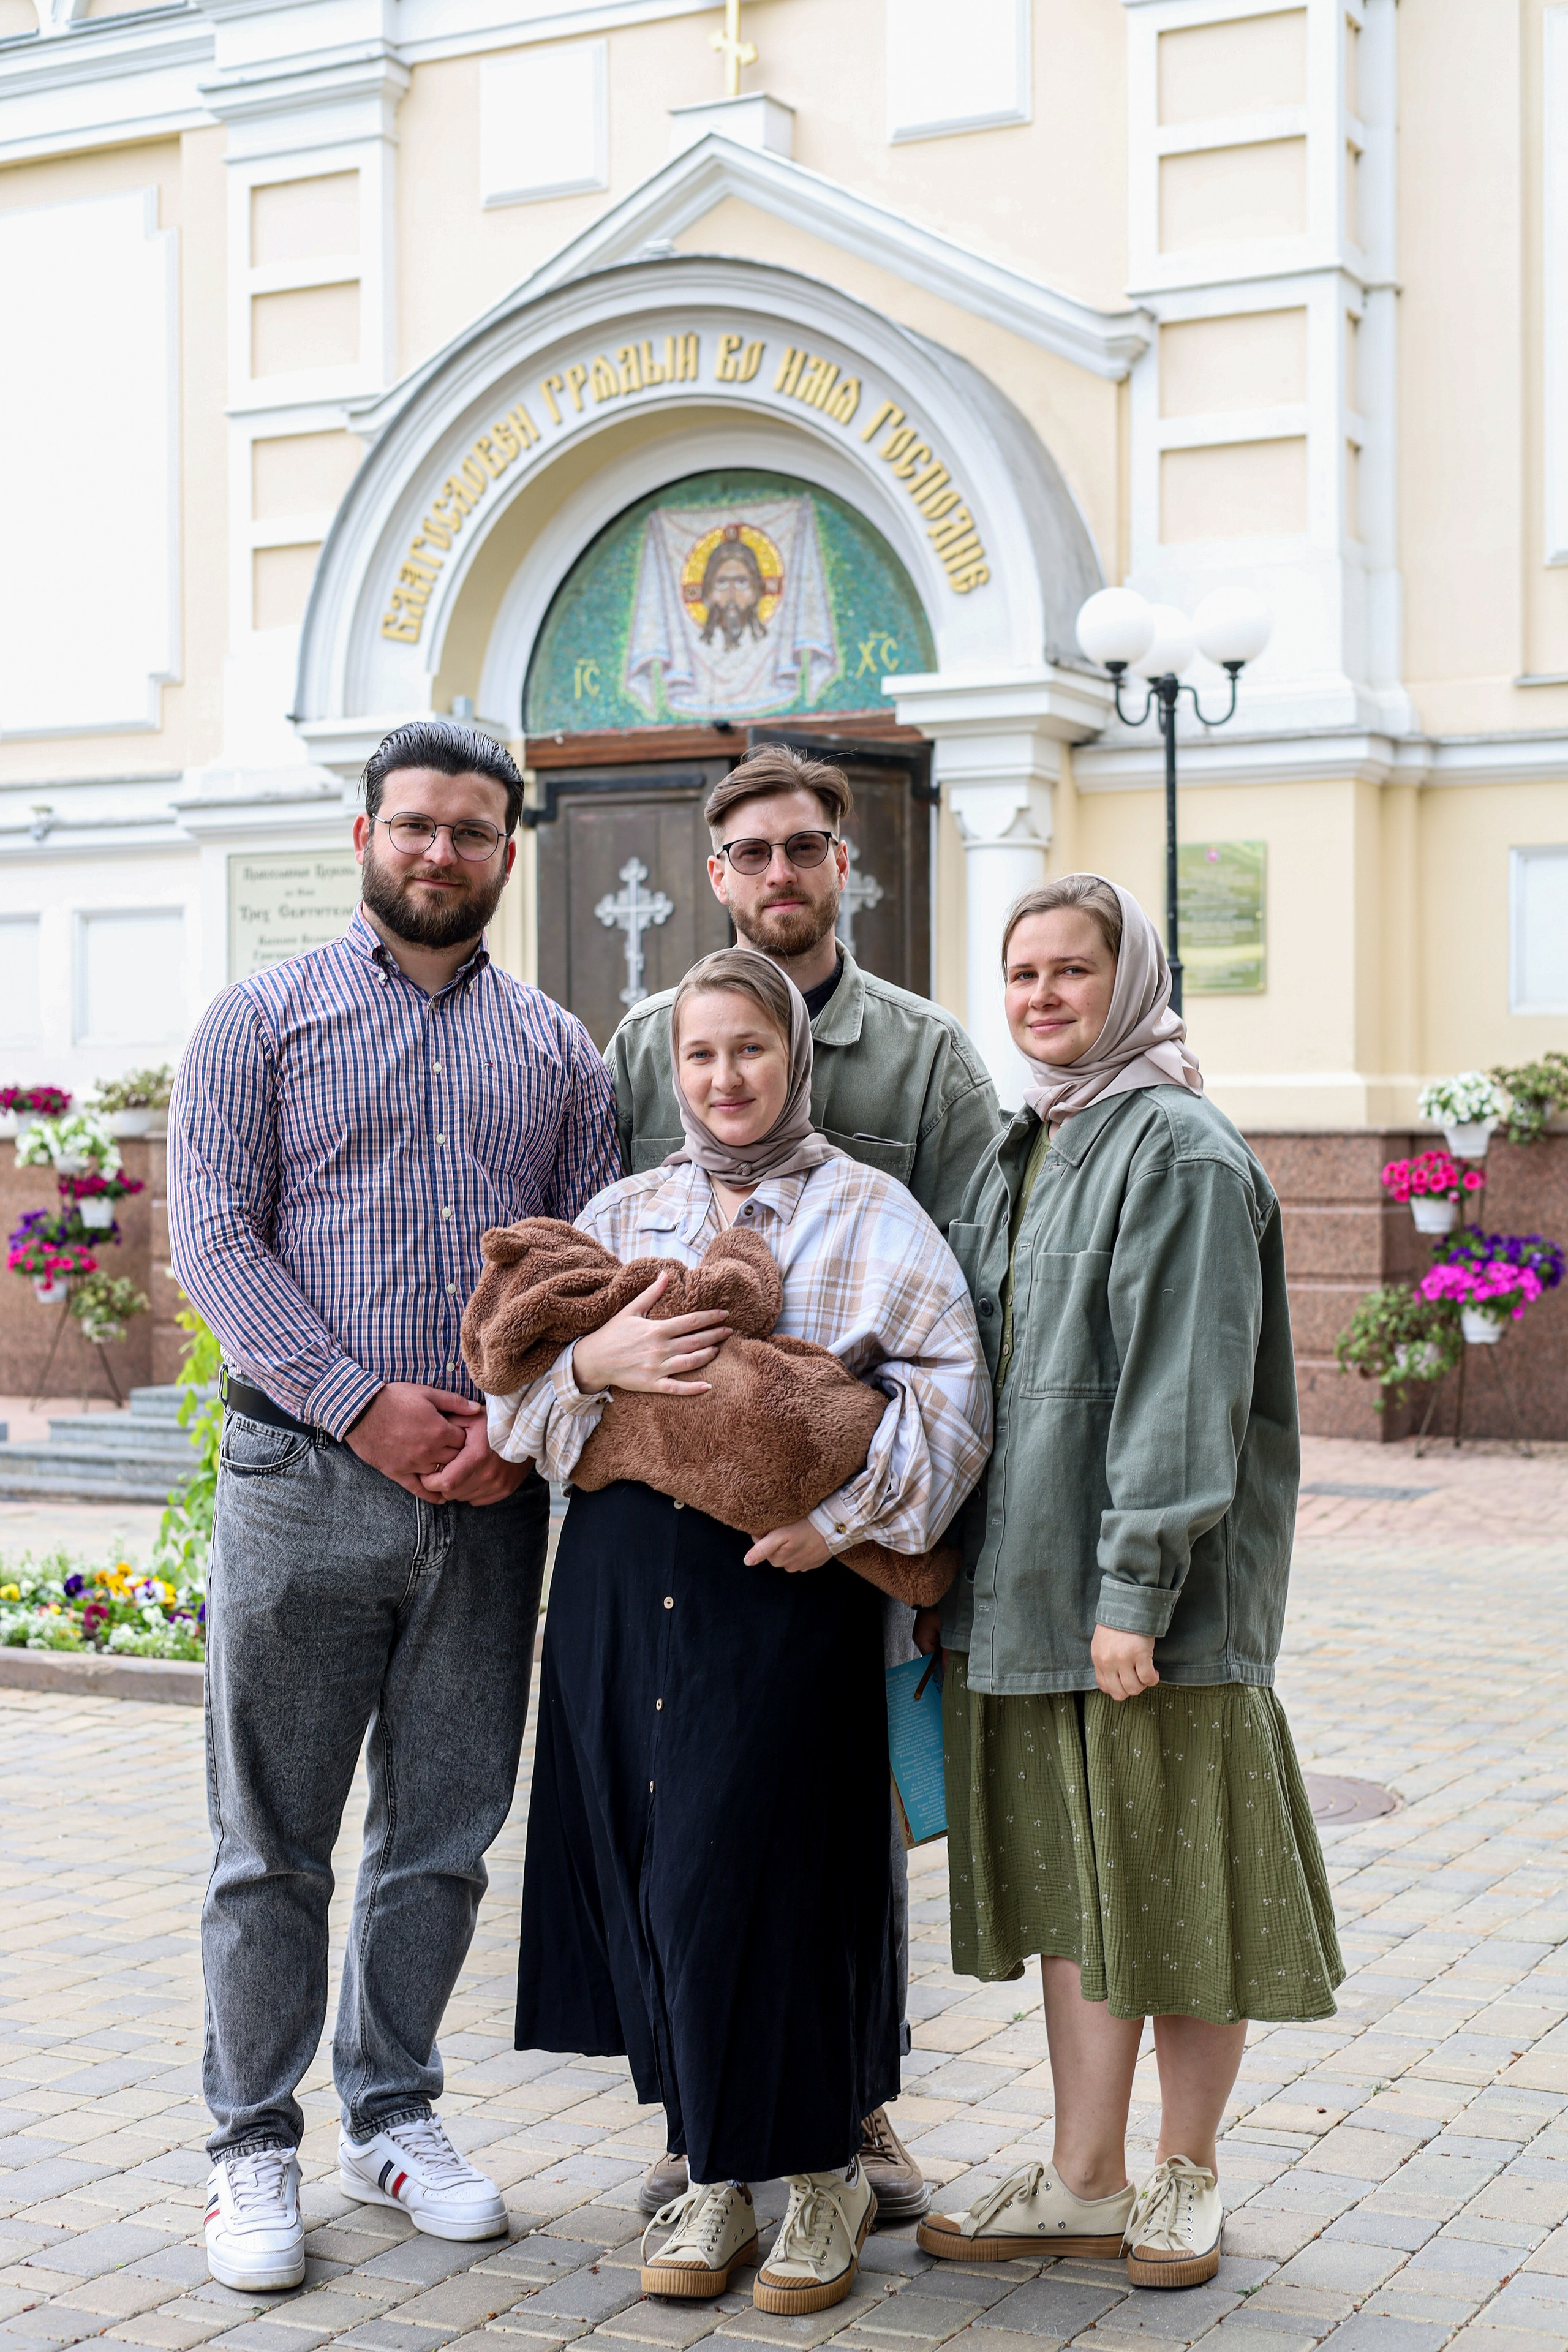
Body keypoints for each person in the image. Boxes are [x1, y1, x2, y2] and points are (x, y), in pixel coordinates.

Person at [168, 718, 620, 2296]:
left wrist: (524, 1423)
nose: (441, 851)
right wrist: (356, 1403)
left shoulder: (559, 1051)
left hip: (490, 1504)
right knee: (271, 1844)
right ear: (366, 833)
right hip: (300, 1484)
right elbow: (216, 1241)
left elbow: (589, 1264)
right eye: (415, 824)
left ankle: (394, 2110)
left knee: (441, 1835)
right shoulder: (258, 1022)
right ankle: (248, 2145)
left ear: (510, 851)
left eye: (472, 830)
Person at [484, 949, 992, 2315]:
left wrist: (841, 1527)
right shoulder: (623, 1207)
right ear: (671, 1068)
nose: (723, 1078)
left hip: (778, 1590)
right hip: (615, 1581)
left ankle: (821, 2171)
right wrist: (592, 1364)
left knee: (776, 1866)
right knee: (651, 1861)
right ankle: (711, 2169)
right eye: (700, 1055)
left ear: (794, 1059)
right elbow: (518, 1418)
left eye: (749, 1051)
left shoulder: (870, 1214)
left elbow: (951, 1398)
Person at [918, 873, 1341, 2290]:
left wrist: (1135, 1587)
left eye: (1070, 971)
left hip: (1146, 1614)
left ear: (1133, 980)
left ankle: (1184, 2172)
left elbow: (1181, 1390)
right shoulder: (1026, 1141)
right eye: (1020, 972)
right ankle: (1083, 2173)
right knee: (1078, 1890)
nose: (1042, 997)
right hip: (1028, 1593)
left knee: (1174, 1890)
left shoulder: (1176, 1150)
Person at [608, 741, 1001, 2220]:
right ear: (716, 874)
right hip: (682, 1519)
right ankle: (704, 2110)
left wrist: (917, 1510)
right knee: (692, 1806)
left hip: (858, 1512)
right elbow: (608, 1252)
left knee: (845, 1820)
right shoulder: (647, 1036)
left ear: (846, 862)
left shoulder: (924, 1055)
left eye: (804, 848)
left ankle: (858, 2104)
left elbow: (976, 1282)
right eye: (751, 852)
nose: (780, 873)